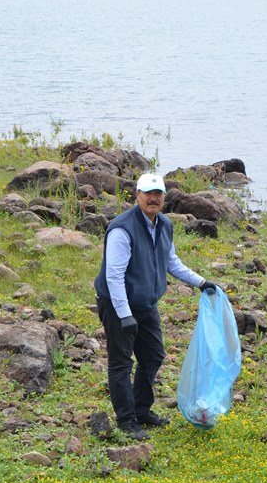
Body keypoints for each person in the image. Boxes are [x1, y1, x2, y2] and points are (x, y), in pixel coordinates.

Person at [94, 172, 220, 440]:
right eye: (148, 193)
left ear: (164, 197)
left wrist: (201, 282)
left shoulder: (163, 224)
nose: (153, 198)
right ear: (137, 195)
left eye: (158, 194)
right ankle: (126, 420)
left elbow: (171, 261)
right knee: (121, 363)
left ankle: (141, 411)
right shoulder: (121, 229)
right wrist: (125, 315)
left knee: (153, 356)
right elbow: (113, 276)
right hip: (119, 304)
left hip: (146, 302)